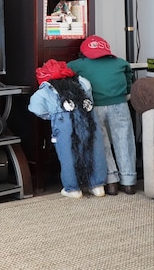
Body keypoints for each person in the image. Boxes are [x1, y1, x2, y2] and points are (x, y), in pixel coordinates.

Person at [28, 59, 108, 199]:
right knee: (94, 149)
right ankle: (97, 186)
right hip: (88, 117)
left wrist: (52, 115)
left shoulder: (46, 90)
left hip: (64, 121)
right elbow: (90, 97)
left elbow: (36, 108)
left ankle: (73, 189)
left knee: (68, 154)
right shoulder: (82, 82)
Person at [67, 35, 137, 195]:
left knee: (101, 143)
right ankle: (129, 182)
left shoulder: (76, 64)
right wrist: (125, 91)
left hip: (95, 106)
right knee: (124, 140)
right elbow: (128, 81)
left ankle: (111, 181)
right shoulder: (121, 62)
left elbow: (67, 77)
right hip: (120, 104)